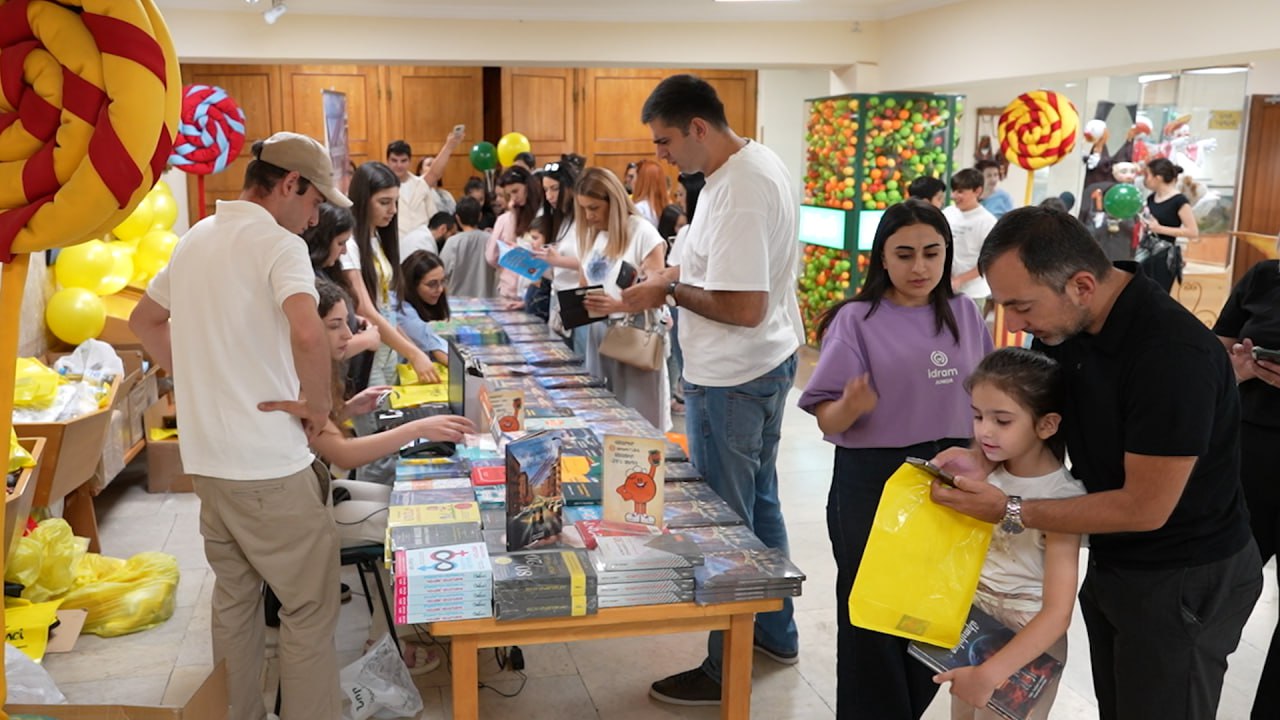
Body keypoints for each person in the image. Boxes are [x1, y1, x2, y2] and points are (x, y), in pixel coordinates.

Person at [932, 206, 1263, 720]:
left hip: (1184, 576)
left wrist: (1010, 509)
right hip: (1116, 561)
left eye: (1021, 306)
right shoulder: (1065, 327)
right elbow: (1047, 423)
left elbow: (1145, 508)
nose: (1013, 323)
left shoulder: (1170, 353)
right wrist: (981, 458)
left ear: (1082, 286)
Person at [128, 131, 350, 719]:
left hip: (210, 463)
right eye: (314, 201)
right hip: (268, 465)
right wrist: (318, 406)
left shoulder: (195, 238)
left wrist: (197, 377)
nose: (315, 217)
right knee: (309, 609)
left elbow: (144, 320)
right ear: (289, 184)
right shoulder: (279, 245)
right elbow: (308, 332)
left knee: (234, 602)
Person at [621, 74, 803, 705]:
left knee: (727, 525)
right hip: (756, 366)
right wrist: (668, 275)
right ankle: (774, 632)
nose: (661, 155)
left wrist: (669, 290)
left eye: (666, 141)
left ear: (699, 127)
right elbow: (710, 264)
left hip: (734, 377)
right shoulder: (738, 169)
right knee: (759, 509)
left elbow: (743, 307)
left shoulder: (742, 189)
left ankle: (726, 668)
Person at [796, 200, 993, 719]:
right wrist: (851, 404)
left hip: (951, 477)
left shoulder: (966, 314)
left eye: (932, 253)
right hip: (874, 480)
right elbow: (828, 419)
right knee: (873, 614)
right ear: (882, 257)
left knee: (935, 608)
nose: (919, 267)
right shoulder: (856, 319)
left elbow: (990, 398)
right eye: (904, 254)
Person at [305, 278, 475, 674]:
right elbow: (342, 452)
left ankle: (392, 635)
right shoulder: (304, 375)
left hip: (319, 490)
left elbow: (319, 430)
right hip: (308, 508)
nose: (348, 335)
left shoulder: (315, 369)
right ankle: (385, 645)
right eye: (335, 325)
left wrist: (348, 408)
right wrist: (417, 428)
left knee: (408, 510)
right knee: (410, 532)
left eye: (347, 324)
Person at [937, 347, 1083, 720]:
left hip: (1028, 640)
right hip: (977, 622)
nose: (984, 430)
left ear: (1047, 425)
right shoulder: (988, 475)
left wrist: (991, 673)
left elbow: (1057, 613)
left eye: (1002, 420)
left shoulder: (1061, 499)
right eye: (978, 416)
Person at [1213, 241, 1280, 719]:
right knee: (1218, 596)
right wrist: (1238, 366)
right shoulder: (1264, 277)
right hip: (1248, 452)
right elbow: (1216, 348)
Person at [574, 167, 670, 430]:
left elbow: (658, 292)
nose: (589, 216)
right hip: (598, 333)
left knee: (639, 422)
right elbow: (585, 283)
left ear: (613, 202)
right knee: (602, 418)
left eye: (594, 208)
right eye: (583, 209)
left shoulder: (642, 232)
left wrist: (619, 305)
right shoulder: (593, 234)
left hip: (634, 336)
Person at [340, 161, 438, 389]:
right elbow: (365, 309)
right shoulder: (350, 245)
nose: (392, 210)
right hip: (367, 350)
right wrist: (413, 353)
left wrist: (410, 348)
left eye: (395, 202)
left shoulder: (377, 239)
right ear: (363, 200)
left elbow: (385, 309)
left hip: (387, 349)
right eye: (384, 202)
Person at [302, 203, 381, 360]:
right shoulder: (307, 279)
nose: (344, 251)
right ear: (322, 241)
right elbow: (320, 345)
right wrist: (366, 340)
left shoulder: (329, 272)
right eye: (340, 243)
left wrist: (353, 319)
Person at [536, 159, 586, 349]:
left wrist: (557, 260)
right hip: (558, 296)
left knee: (580, 357)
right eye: (545, 190)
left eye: (554, 189)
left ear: (570, 187)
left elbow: (592, 263)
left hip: (578, 298)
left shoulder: (585, 220)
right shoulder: (562, 220)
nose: (549, 196)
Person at [485, 166, 543, 309]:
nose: (513, 198)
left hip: (534, 290)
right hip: (511, 289)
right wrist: (513, 214)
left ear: (528, 186)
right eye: (509, 194)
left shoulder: (542, 216)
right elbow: (503, 252)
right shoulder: (509, 217)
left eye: (516, 191)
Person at [1139, 157, 1198, 292]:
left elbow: (1193, 232)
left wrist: (1160, 229)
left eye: (1147, 175)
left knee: (1157, 295)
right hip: (1146, 252)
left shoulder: (1179, 201)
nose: (1145, 179)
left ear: (1158, 178)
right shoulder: (1151, 198)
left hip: (1165, 257)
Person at [944, 168, 997, 308]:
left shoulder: (987, 222)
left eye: (960, 191)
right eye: (954, 191)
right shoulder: (947, 213)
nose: (954, 196)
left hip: (974, 293)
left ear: (977, 191)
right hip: (946, 290)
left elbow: (989, 261)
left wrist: (959, 280)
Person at [395, 250, 451, 364]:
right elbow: (434, 345)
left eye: (442, 281)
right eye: (432, 284)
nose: (440, 289)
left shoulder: (413, 304)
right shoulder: (402, 310)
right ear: (412, 284)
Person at [440, 196, 496, 298]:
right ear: (480, 216)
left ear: (457, 218)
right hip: (486, 301)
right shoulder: (491, 239)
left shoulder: (453, 242)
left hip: (457, 302)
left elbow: (442, 271)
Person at [631, 158, 669, 227]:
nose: (632, 182)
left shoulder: (639, 209)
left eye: (633, 177)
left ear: (641, 181)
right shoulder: (667, 208)